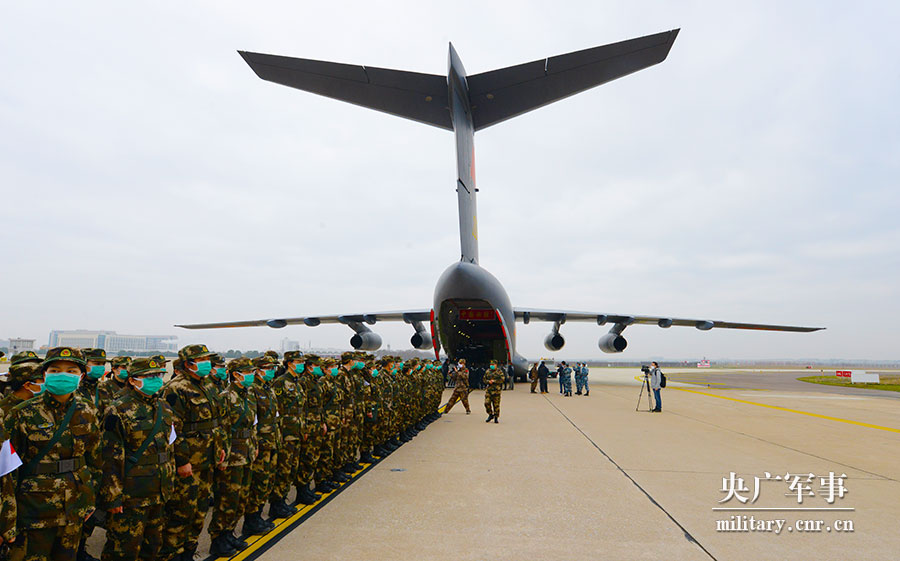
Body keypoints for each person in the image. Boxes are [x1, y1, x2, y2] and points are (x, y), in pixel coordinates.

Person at [3, 347, 101, 561]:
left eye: (71, 371)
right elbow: (7, 472)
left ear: (81, 376)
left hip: (74, 510)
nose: (62, 375)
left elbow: (94, 459)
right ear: (44, 375)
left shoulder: (88, 410)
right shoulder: (21, 413)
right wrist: (6, 521)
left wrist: (90, 498)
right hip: (33, 512)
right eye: (55, 370)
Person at [98, 357, 178, 561]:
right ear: (133, 380)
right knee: (123, 550)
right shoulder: (117, 409)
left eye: (159, 375)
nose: (156, 380)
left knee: (152, 547)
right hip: (131, 495)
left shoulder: (164, 407)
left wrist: (170, 484)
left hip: (159, 491)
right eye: (149, 376)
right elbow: (109, 458)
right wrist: (113, 496)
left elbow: (169, 448)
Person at [160, 344, 227, 561]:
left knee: (199, 513)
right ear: (189, 364)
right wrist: (181, 461)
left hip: (207, 459)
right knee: (181, 513)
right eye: (202, 359)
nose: (207, 363)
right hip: (190, 463)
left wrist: (221, 449)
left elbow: (216, 422)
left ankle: (188, 551)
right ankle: (172, 554)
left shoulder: (208, 386)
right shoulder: (175, 388)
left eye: (208, 359)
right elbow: (172, 430)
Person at [208, 358, 257, 557]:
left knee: (241, 498)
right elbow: (220, 429)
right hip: (231, 455)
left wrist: (254, 447)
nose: (252, 375)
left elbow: (252, 425)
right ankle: (218, 539)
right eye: (248, 371)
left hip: (246, 452)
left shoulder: (249, 395)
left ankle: (229, 533)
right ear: (236, 374)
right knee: (227, 499)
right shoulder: (225, 397)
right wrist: (223, 457)